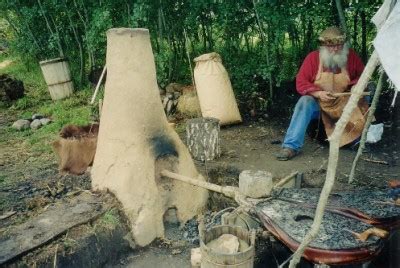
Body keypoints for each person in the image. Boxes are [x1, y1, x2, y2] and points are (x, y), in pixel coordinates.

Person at [276, 26, 368, 161]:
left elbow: (364, 76)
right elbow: (301, 82)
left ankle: (357, 140)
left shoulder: (352, 57)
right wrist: (318, 93)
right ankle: (290, 146)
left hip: (343, 103)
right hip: (319, 104)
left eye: (339, 45)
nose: (336, 49)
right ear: (324, 46)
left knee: (363, 97)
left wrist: (356, 85)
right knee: (304, 102)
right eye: (332, 46)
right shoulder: (312, 58)